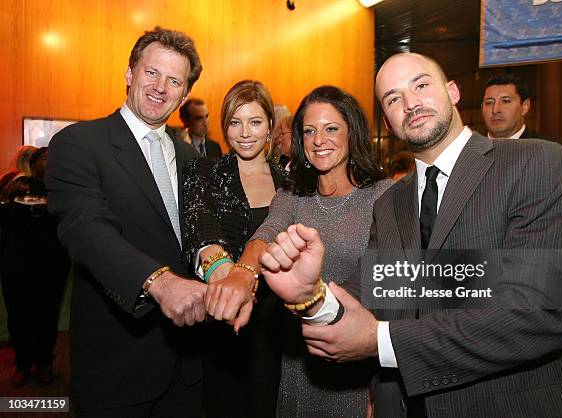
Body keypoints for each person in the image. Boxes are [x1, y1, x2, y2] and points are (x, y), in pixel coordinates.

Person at [259, 53, 562, 417]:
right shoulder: (390, 202)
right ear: (387, 118)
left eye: (421, 85)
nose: (411, 103)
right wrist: (311, 295)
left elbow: (540, 310)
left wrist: (381, 341)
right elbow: (369, 292)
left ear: (453, 91)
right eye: (394, 98)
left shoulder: (535, 164)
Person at [46, 27, 208, 417]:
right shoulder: (79, 143)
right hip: (117, 368)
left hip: (187, 368)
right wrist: (159, 281)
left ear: (184, 95)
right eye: (151, 73)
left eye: (174, 81)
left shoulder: (192, 160)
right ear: (129, 73)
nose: (160, 87)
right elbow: (87, 229)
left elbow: (202, 237)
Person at [209, 85, 393, 417]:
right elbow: (265, 234)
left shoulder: (385, 195)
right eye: (309, 131)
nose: (319, 140)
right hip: (299, 363)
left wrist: (384, 386)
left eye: (331, 128)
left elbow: (392, 286)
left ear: (353, 132)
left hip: (359, 364)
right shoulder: (292, 196)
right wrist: (242, 274)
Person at [182, 80, 286, 418]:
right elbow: (201, 233)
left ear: (270, 124)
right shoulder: (205, 172)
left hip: (280, 322)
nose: (245, 133)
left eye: (255, 122)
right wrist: (231, 283)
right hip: (225, 318)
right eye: (235, 122)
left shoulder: (290, 181)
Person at [0, 147, 70, 387]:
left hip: (52, 266)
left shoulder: (64, 189)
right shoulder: (14, 184)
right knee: (19, 317)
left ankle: (44, 364)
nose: (50, 162)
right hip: (15, 265)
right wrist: (7, 197)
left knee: (47, 317)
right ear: (33, 162)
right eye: (44, 157)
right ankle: (22, 363)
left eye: (55, 157)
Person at [481, 73, 562, 174]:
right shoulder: (468, 151)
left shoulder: (559, 154)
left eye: (506, 101)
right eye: (489, 102)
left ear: (525, 106)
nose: (495, 109)